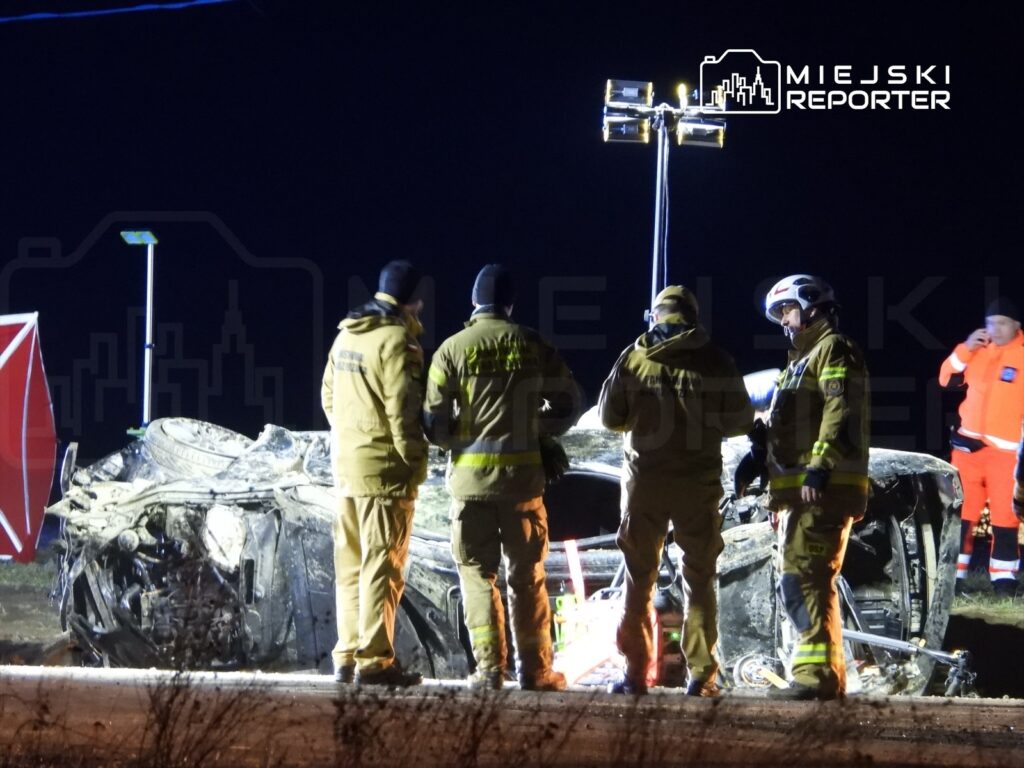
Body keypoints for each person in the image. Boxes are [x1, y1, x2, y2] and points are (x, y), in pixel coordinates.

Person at [423, 264, 583, 691]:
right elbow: (569, 403)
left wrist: (461, 438)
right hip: (521, 486)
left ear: (473, 302)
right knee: (526, 577)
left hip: (470, 489)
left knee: (476, 575)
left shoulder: (451, 350)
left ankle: (490, 670)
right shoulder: (532, 344)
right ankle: (536, 671)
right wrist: (536, 427)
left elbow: (433, 423)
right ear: (510, 304)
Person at [598, 285, 753, 697]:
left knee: (638, 579)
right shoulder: (717, 361)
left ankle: (634, 674)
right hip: (696, 485)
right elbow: (740, 421)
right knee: (699, 579)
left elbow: (609, 418)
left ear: (656, 316)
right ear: (692, 317)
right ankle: (701, 676)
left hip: (645, 485)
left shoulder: (635, 359)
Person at [736, 274, 869, 701]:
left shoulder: (833, 349)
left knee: (805, 580)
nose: (783, 322)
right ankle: (818, 675)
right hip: (800, 494)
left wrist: (820, 467)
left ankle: (817, 677)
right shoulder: (800, 362)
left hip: (823, 491)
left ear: (811, 306)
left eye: (787, 311)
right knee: (803, 580)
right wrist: (759, 454)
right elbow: (792, 424)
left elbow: (839, 409)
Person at [321, 260, 428, 687]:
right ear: (414, 300)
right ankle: (375, 660)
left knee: (350, 565)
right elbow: (403, 414)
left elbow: (328, 397)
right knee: (382, 566)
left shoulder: (348, 332)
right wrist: (415, 463)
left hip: (345, 466)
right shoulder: (398, 341)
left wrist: (351, 435)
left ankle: (346, 656)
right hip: (383, 471)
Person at [938, 297, 1024, 598]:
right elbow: (946, 379)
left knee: (1005, 519)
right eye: (990, 323)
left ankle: (1004, 580)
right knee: (961, 514)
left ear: (1016, 325)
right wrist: (966, 348)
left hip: (1007, 454)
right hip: (967, 451)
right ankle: (953, 577)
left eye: (1001, 322)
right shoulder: (976, 352)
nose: (994, 329)